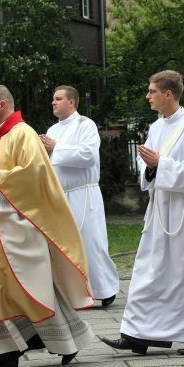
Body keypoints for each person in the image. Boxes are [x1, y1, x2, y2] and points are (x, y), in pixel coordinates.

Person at [0, 84, 94, 367]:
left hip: (17, 229)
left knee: (30, 288)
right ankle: (4, 354)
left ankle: (63, 340)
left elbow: (32, 175)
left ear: (2, 104)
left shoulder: (22, 134)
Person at [100, 70, 184, 356]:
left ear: (168, 94)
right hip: (160, 207)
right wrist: (151, 167)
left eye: (152, 91)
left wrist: (161, 163)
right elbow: (149, 171)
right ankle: (140, 333)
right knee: (151, 269)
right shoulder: (157, 126)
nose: (148, 96)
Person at [39, 85, 119, 307]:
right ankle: (71, 291)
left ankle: (104, 289)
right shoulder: (52, 130)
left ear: (71, 102)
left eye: (58, 99)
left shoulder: (86, 125)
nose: (53, 102)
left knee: (90, 241)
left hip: (83, 193)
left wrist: (56, 148)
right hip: (60, 195)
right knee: (63, 244)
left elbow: (88, 155)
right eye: (53, 99)